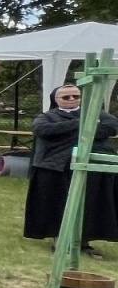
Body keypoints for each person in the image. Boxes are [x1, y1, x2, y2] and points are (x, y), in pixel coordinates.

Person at [23, 84, 118, 253]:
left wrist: (65, 133)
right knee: (59, 205)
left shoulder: (97, 113)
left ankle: (83, 241)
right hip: (56, 167)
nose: (72, 99)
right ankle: (59, 240)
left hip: (91, 168)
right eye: (66, 97)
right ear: (56, 100)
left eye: (76, 96)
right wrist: (81, 124)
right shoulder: (47, 117)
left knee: (89, 205)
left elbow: (110, 127)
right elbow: (42, 130)